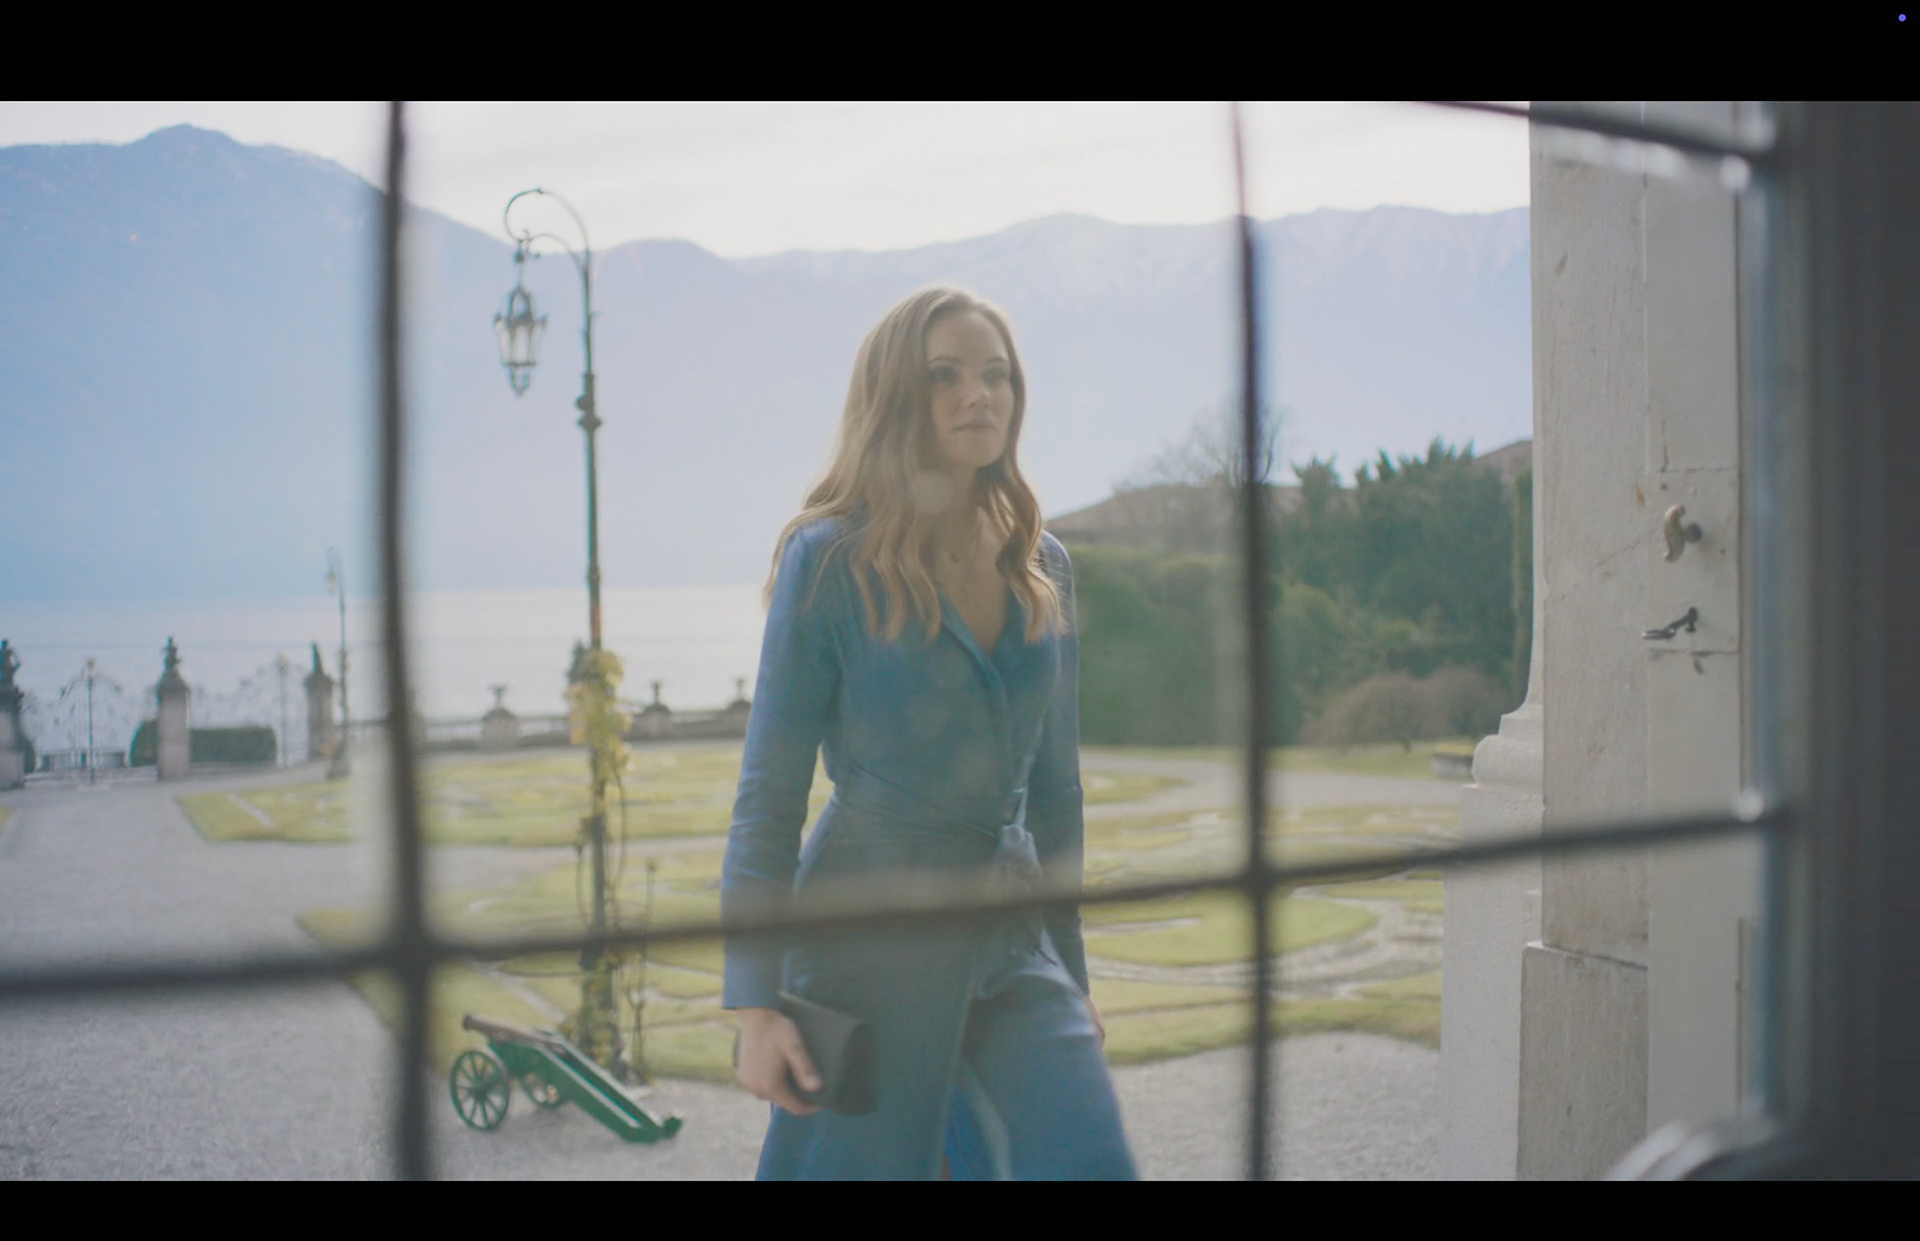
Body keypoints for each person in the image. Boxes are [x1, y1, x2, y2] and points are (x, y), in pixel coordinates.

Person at [722, 285, 1136, 1180]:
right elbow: (769, 797)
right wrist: (755, 1007)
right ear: (896, 396)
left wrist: (1072, 976)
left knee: (1087, 1159)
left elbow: (1055, 795)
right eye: (945, 375)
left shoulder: (1043, 564)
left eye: (996, 375)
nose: (977, 395)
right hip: (862, 948)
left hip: (1010, 939)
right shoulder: (827, 560)